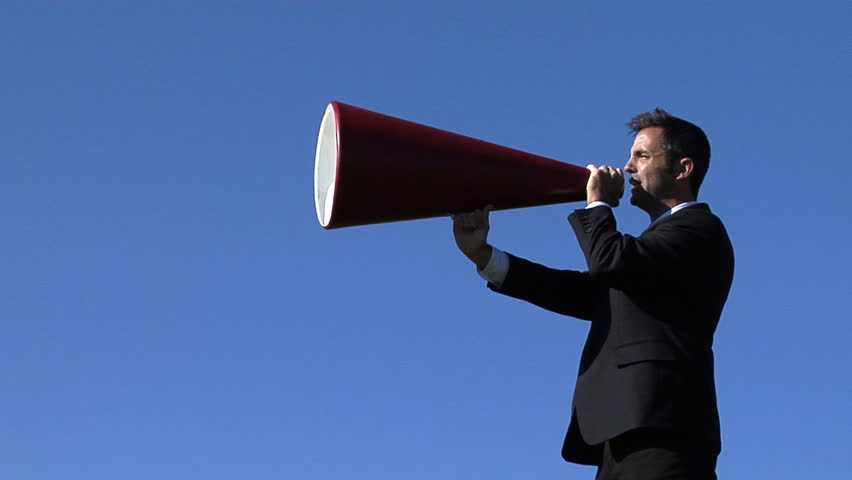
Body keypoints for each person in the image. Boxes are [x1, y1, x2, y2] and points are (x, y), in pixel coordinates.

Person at [452, 109, 734, 479]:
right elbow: (585, 292)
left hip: (663, 428)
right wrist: (485, 256)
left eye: (642, 156)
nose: (627, 166)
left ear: (683, 169)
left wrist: (598, 203)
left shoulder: (699, 228)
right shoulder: (650, 251)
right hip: (625, 432)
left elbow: (609, 262)